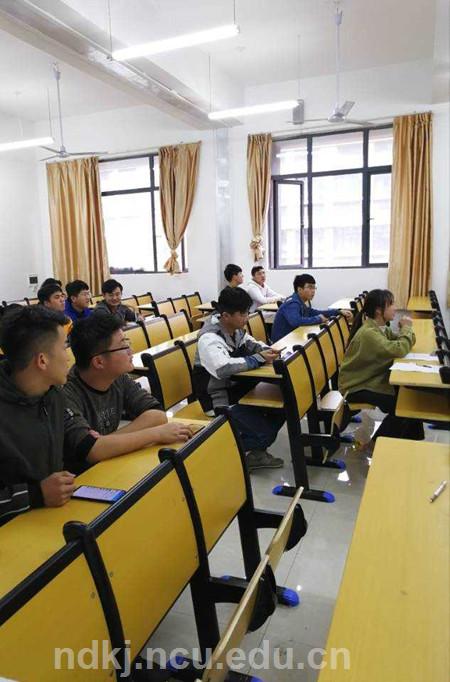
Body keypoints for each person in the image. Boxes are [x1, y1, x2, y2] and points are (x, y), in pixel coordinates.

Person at [63, 314, 193, 472]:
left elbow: (157, 414)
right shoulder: (66, 393)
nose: (131, 351)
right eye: (124, 346)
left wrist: (105, 443)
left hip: (110, 462)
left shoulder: (118, 378)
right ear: (99, 362)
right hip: (82, 476)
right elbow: (90, 451)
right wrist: (156, 434)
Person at [192, 287, 285, 471]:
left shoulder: (236, 330)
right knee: (264, 432)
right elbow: (223, 368)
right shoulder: (209, 337)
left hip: (237, 391)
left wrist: (267, 350)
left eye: (247, 312)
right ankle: (218, 451)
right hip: (218, 399)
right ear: (226, 315)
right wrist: (258, 359)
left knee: (282, 405)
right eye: (243, 314)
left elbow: (251, 343)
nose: (246, 318)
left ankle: (255, 451)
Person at [0, 306, 76, 525]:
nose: (68, 356)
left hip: (50, 518)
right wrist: (36, 494)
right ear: (42, 361)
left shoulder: (53, 394)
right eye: (64, 347)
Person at [338, 289, 424, 449]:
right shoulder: (369, 333)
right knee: (402, 406)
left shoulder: (381, 327)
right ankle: (375, 445)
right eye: (391, 304)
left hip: (371, 378)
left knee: (411, 398)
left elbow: (405, 342)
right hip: (357, 385)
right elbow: (400, 349)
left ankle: (411, 442)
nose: (395, 308)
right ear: (378, 311)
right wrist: (406, 329)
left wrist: (406, 331)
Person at [272, 273, 352, 342]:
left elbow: (314, 312)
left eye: (314, 288)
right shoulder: (292, 303)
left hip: (293, 338)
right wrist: (318, 319)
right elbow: (296, 321)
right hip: (282, 343)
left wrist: (338, 312)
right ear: (299, 289)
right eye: (310, 287)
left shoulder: (300, 302)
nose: (313, 291)